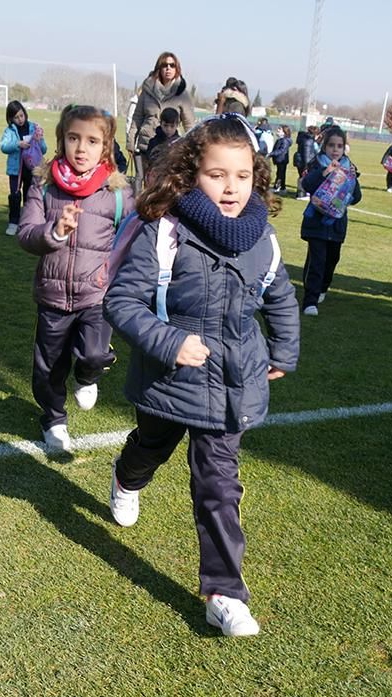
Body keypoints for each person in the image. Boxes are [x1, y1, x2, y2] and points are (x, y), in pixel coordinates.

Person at [103, 114, 299, 638]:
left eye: (241, 175)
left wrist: (285, 349)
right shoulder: (164, 229)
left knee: (218, 485)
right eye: (217, 174)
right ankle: (126, 477)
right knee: (150, 445)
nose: (231, 187)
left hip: (232, 387)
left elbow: (279, 296)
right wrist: (171, 342)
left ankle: (224, 593)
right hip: (169, 382)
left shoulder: (262, 235)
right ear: (193, 174)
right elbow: (120, 301)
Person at [18, 104, 134, 453]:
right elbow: (25, 234)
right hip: (52, 296)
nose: (82, 148)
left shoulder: (117, 192)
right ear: (61, 140)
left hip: (96, 296)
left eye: (92, 141)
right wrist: (53, 231)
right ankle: (53, 421)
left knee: (93, 354)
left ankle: (88, 375)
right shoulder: (44, 184)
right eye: (73, 138)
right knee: (49, 369)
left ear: (106, 146)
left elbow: (132, 239)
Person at [298, 126, 362, 315]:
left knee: (332, 260)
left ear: (344, 148)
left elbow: (357, 196)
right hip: (316, 223)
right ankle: (310, 301)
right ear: (324, 147)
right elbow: (306, 185)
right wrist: (324, 172)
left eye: (339, 146)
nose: (335, 150)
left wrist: (347, 189)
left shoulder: (349, 168)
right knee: (317, 261)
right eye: (331, 145)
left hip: (336, 224)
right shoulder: (317, 164)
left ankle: (322, 288)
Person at [127, 52, 196, 195]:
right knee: (142, 184)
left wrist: (193, 147)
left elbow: (189, 124)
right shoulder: (147, 91)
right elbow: (137, 117)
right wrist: (130, 141)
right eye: (164, 65)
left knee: (163, 186)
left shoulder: (182, 95)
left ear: (177, 69)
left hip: (170, 149)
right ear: (159, 68)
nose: (168, 68)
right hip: (145, 144)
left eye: (172, 65)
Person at [0, 100, 46, 236]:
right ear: (10, 118)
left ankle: (26, 222)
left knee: (29, 195)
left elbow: (43, 149)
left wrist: (39, 140)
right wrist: (17, 144)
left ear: (25, 114)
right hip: (15, 170)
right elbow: (4, 147)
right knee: (14, 195)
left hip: (32, 169)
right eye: (16, 117)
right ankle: (13, 222)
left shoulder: (34, 127)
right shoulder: (9, 131)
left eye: (21, 116)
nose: (20, 120)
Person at [144, 106, 182, 185]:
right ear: (160, 123)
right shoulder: (153, 142)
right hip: (156, 181)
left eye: (172, 126)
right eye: (165, 125)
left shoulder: (180, 143)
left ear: (177, 125)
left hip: (173, 182)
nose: (168, 129)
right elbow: (149, 161)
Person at [294, 125, 319, 200]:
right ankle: (302, 194)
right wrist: (306, 166)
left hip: (300, 161)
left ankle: (301, 192)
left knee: (302, 177)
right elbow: (306, 154)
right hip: (304, 162)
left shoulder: (305, 138)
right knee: (304, 177)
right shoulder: (308, 141)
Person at [270, 125, 292, 193]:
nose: (278, 130)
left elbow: (281, 150)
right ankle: (282, 188)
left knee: (280, 174)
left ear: (284, 132)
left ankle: (277, 187)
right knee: (281, 173)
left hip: (282, 159)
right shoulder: (280, 139)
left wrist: (271, 154)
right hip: (279, 159)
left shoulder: (284, 140)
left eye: (280, 129)